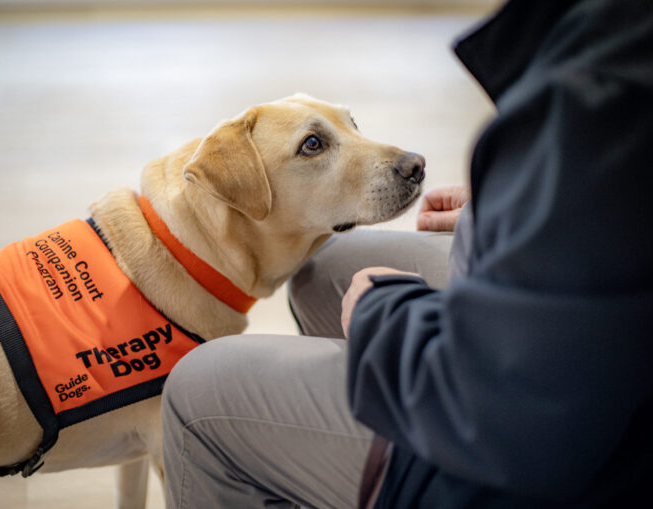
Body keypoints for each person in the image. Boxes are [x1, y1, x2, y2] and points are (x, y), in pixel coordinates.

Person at [161, 0, 653, 507]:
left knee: (198, 387)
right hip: (573, 360)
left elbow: (507, 407)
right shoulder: (615, 46)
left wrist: (387, 316)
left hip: (550, 452)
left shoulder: (605, 89)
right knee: (323, 268)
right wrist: (514, 211)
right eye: (316, 145)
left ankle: (376, 467)